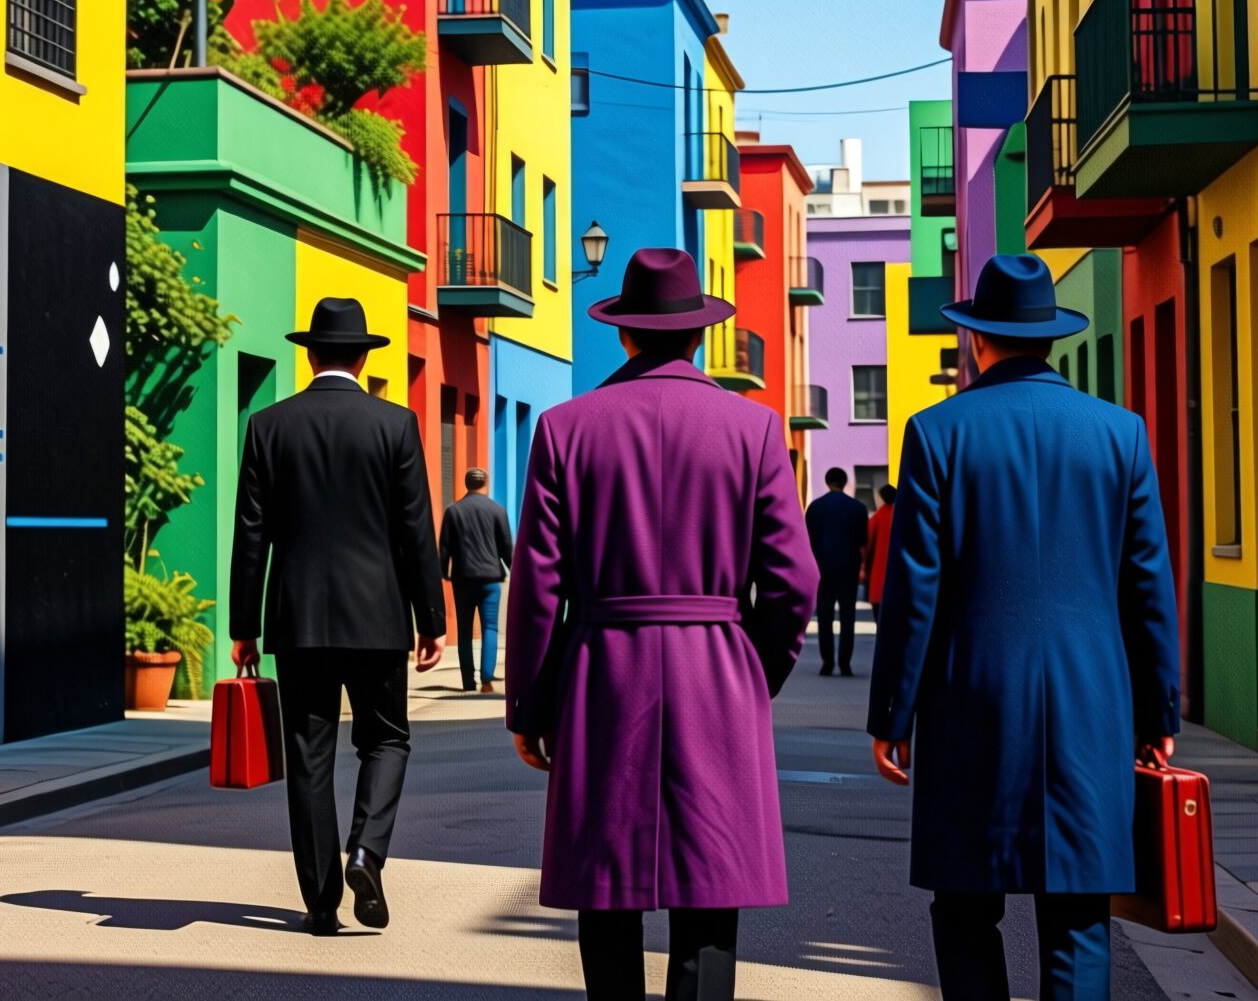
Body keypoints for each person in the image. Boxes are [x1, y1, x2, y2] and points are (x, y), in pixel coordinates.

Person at [504, 248, 818, 1001]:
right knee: (708, 897)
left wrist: (530, 706)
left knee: (606, 891)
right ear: (700, 337)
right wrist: (753, 670)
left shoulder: (564, 429)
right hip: (717, 670)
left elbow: (539, 584)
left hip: (604, 672)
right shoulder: (754, 428)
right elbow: (793, 579)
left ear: (623, 335)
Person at [866, 254, 1181, 1001]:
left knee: (967, 907)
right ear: (1050, 340)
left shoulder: (937, 432)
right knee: (1078, 916)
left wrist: (892, 714)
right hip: (1092, 708)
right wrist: (1158, 712)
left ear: (978, 339)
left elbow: (915, 590)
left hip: (972, 705)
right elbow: (1149, 588)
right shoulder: (1120, 434)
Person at [231, 297, 447, 937]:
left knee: (308, 755)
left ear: (309, 354)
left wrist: (245, 626)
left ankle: (321, 902)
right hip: (379, 618)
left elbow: (251, 536)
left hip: (298, 622)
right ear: (362, 355)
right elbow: (415, 530)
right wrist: (431, 618)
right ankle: (367, 852)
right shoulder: (396, 424)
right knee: (386, 739)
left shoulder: (269, 426)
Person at [440, 467, 515, 693]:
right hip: (490, 578)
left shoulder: (454, 511)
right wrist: (515, 570)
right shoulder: (497, 510)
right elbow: (506, 547)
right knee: (490, 628)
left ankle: (467, 682)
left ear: (466, 484)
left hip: (463, 578)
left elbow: (444, 547)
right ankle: (486, 680)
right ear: (486, 484)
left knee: (464, 630)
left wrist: (444, 572)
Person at [803, 467, 872, 675]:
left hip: (822, 569)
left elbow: (807, 543)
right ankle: (844, 663)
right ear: (845, 482)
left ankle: (827, 662)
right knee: (847, 616)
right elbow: (863, 542)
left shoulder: (815, 508)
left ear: (827, 481)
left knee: (824, 616)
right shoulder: (858, 508)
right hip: (849, 568)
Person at [864, 483, 898, 613]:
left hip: (878, 571)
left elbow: (867, 543)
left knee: (879, 613)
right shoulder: (901, 515)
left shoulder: (877, 517)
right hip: (898, 571)